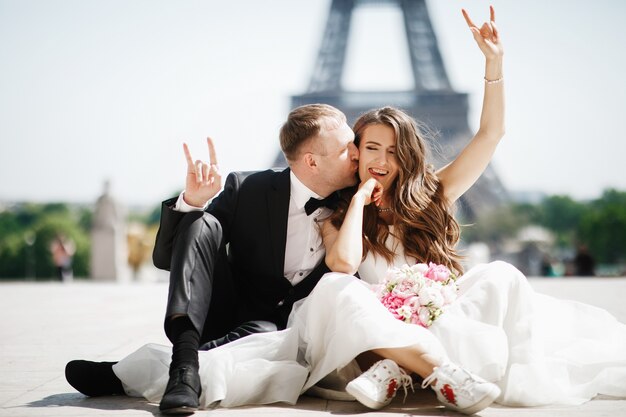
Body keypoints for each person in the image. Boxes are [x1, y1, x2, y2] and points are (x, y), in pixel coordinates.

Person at [65, 103, 359, 414]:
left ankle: (165, 369)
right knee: (200, 222)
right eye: (345, 148)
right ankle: (183, 361)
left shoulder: (359, 204)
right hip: (228, 314)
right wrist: (192, 202)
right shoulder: (247, 188)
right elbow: (171, 257)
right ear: (312, 161)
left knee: (263, 336)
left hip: (291, 334)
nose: (356, 154)